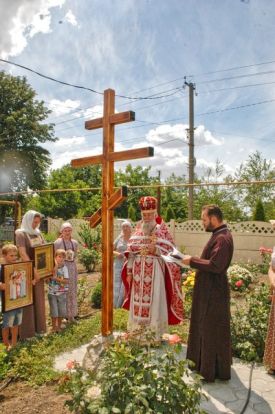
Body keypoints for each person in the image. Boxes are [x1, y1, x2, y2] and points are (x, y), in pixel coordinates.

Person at [182, 205, 234, 382]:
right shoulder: (218, 235)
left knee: (211, 331)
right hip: (209, 292)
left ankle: (211, 371)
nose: (202, 223)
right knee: (206, 328)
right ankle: (203, 365)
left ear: (214, 218)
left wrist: (192, 261)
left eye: (204, 219)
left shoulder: (223, 238)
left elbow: (215, 265)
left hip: (214, 294)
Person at [122, 196, 183, 341]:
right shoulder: (137, 230)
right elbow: (131, 252)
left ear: (155, 213)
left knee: (154, 302)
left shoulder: (162, 231)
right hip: (138, 274)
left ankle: (154, 335)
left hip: (155, 273)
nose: (147, 217)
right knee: (137, 302)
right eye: (144, 215)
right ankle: (137, 333)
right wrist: (129, 271)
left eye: (150, 214)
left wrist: (156, 251)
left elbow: (171, 252)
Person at [15, 210, 46, 339]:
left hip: (39, 273)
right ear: (28, 220)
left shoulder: (38, 233)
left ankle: (40, 329)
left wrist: (51, 265)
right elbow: (23, 254)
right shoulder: (20, 234)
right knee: (28, 302)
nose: (36, 225)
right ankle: (28, 333)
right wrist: (33, 271)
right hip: (27, 272)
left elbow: (45, 250)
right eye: (34, 222)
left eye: (38, 222)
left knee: (39, 299)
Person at [54, 222, 78, 322]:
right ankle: (62, 316)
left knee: (72, 291)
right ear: (61, 231)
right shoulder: (57, 242)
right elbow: (54, 256)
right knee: (63, 291)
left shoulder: (75, 242)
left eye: (69, 230)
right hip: (62, 268)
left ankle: (71, 315)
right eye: (65, 230)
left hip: (72, 268)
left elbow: (75, 254)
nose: (67, 232)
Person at [0, 244, 23, 348]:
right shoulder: (1, 269)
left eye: (15, 255)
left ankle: (14, 344)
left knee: (16, 323)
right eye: (11, 255)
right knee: (6, 324)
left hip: (17, 300)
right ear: (4, 256)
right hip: (7, 302)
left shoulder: (19, 267)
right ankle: (6, 345)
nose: (14, 258)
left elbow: (23, 280)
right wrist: (1, 285)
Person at [47, 249, 69, 333]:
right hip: (52, 293)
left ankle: (59, 326)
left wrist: (56, 278)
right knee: (54, 311)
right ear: (55, 257)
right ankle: (54, 327)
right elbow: (48, 280)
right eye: (59, 257)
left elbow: (66, 281)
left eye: (63, 257)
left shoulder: (65, 268)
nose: (61, 259)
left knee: (61, 311)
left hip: (62, 293)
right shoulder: (51, 268)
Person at [113, 221, 132, 308]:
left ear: (130, 228)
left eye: (126, 226)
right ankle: (115, 304)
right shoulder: (119, 238)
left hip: (129, 264)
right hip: (118, 264)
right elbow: (110, 249)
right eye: (123, 227)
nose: (124, 228)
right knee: (117, 283)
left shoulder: (133, 239)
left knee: (126, 283)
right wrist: (118, 254)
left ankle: (124, 303)